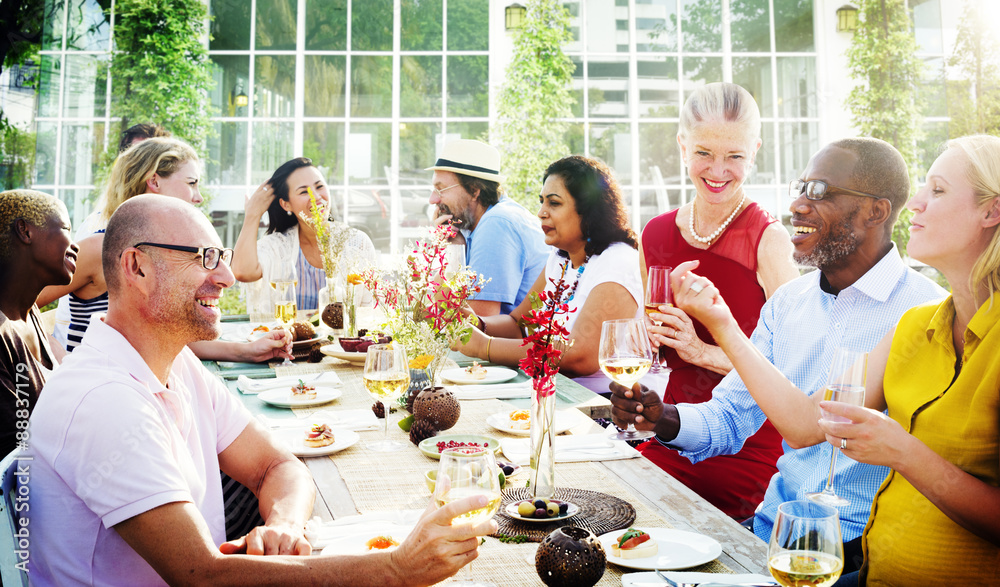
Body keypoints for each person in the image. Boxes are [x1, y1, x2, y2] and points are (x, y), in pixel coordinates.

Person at [26, 195, 498, 586]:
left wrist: (285, 527)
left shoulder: (177, 363)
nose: (227, 278)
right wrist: (397, 570)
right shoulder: (104, 400)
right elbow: (204, 575)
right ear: (138, 267)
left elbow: (277, 464)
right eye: (205, 258)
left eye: (223, 258)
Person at [671, 135, 1000, 586]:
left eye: (937, 190)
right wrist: (717, 333)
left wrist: (902, 452)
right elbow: (807, 424)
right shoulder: (920, 325)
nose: (918, 203)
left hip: (861, 559)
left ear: (991, 211)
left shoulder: (917, 311)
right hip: (817, 551)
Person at [610, 137, 947, 573]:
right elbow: (729, 418)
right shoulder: (788, 303)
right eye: (800, 188)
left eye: (820, 192)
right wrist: (661, 418)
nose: (799, 206)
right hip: (769, 535)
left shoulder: (927, 313)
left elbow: (814, 425)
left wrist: (719, 325)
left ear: (875, 211)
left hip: (860, 556)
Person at [637, 82, 799, 519]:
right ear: (682, 146)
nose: (718, 170)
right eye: (704, 152)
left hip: (747, 446)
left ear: (755, 151)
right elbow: (650, 350)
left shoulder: (769, 241)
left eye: (735, 156)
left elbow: (795, 371)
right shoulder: (653, 234)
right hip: (668, 431)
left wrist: (701, 351)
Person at [38, 138, 291, 361]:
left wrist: (247, 351)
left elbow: (172, 333)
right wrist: (60, 360)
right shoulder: (100, 248)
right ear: (154, 181)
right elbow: (11, 306)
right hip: (101, 393)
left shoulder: (165, 250)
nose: (198, 197)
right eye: (191, 183)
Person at [456, 155, 641, 392]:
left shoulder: (617, 261)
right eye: (542, 202)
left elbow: (579, 356)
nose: (541, 213)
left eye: (554, 203)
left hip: (605, 405)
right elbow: (518, 324)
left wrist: (485, 347)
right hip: (550, 392)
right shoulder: (560, 258)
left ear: (588, 210)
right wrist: (478, 324)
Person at [232, 157, 378, 314]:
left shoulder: (357, 243)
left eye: (320, 186)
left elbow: (371, 309)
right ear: (285, 204)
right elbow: (242, 271)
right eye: (303, 191)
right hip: (290, 338)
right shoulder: (278, 247)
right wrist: (253, 214)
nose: (316, 197)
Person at [427, 139, 549, 316]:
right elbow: (437, 309)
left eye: (441, 189)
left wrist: (451, 253)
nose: (432, 200)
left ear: (475, 191)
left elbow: (475, 326)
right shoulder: (474, 225)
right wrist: (454, 248)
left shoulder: (497, 224)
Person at [0, 190, 77, 457]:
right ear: (25, 231)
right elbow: (17, 452)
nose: (75, 245)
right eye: (67, 228)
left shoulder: (28, 311)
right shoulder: (1, 333)